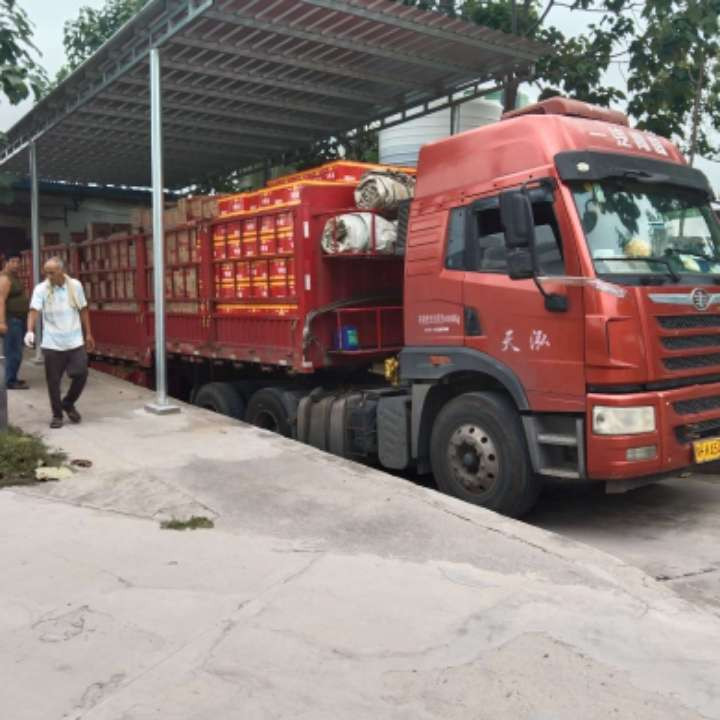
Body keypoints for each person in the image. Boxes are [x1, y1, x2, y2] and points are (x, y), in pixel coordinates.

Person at [25, 257, 95, 428]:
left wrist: (88, 334)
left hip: (75, 341)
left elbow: (83, 309)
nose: (48, 276)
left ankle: (68, 403)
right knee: (53, 381)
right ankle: (57, 415)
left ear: (61, 271)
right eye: (46, 272)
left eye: (52, 272)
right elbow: (34, 310)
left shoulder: (75, 286)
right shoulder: (41, 289)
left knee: (81, 374)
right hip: (52, 343)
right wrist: (30, 330)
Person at [0, 254, 30, 389]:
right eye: (13, 261)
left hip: (19, 319)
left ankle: (12, 377)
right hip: (11, 320)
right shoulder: (4, 278)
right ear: (6, 262)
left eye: (18, 262)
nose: (16, 264)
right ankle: (10, 381)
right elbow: (1, 301)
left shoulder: (14, 277)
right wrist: (2, 322)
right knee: (13, 352)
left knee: (17, 351)